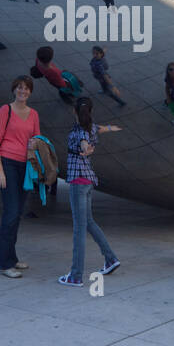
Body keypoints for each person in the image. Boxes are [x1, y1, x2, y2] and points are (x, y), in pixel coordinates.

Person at [59, 97, 122, 286]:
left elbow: (84, 142)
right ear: (90, 112)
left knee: (79, 229)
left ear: (74, 111)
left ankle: (76, 275)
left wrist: (86, 149)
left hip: (78, 182)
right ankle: (110, 259)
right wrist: (112, 128)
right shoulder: (92, 127)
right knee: (88, 222)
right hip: (87, 181)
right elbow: (101, 129)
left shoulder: (80, 132)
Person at [0, 76, 41, 278]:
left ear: (30, 92)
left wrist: (36, 146)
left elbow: (37, 139)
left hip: (25, 166)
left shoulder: (34, 114)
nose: (23, 91)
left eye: (27, 88)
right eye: (20, 88)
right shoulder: (6, 110)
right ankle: (5, 264)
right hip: (8, 164)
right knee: (10, 213)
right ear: (14, 90)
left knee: (17, 213)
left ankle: (12, 257)